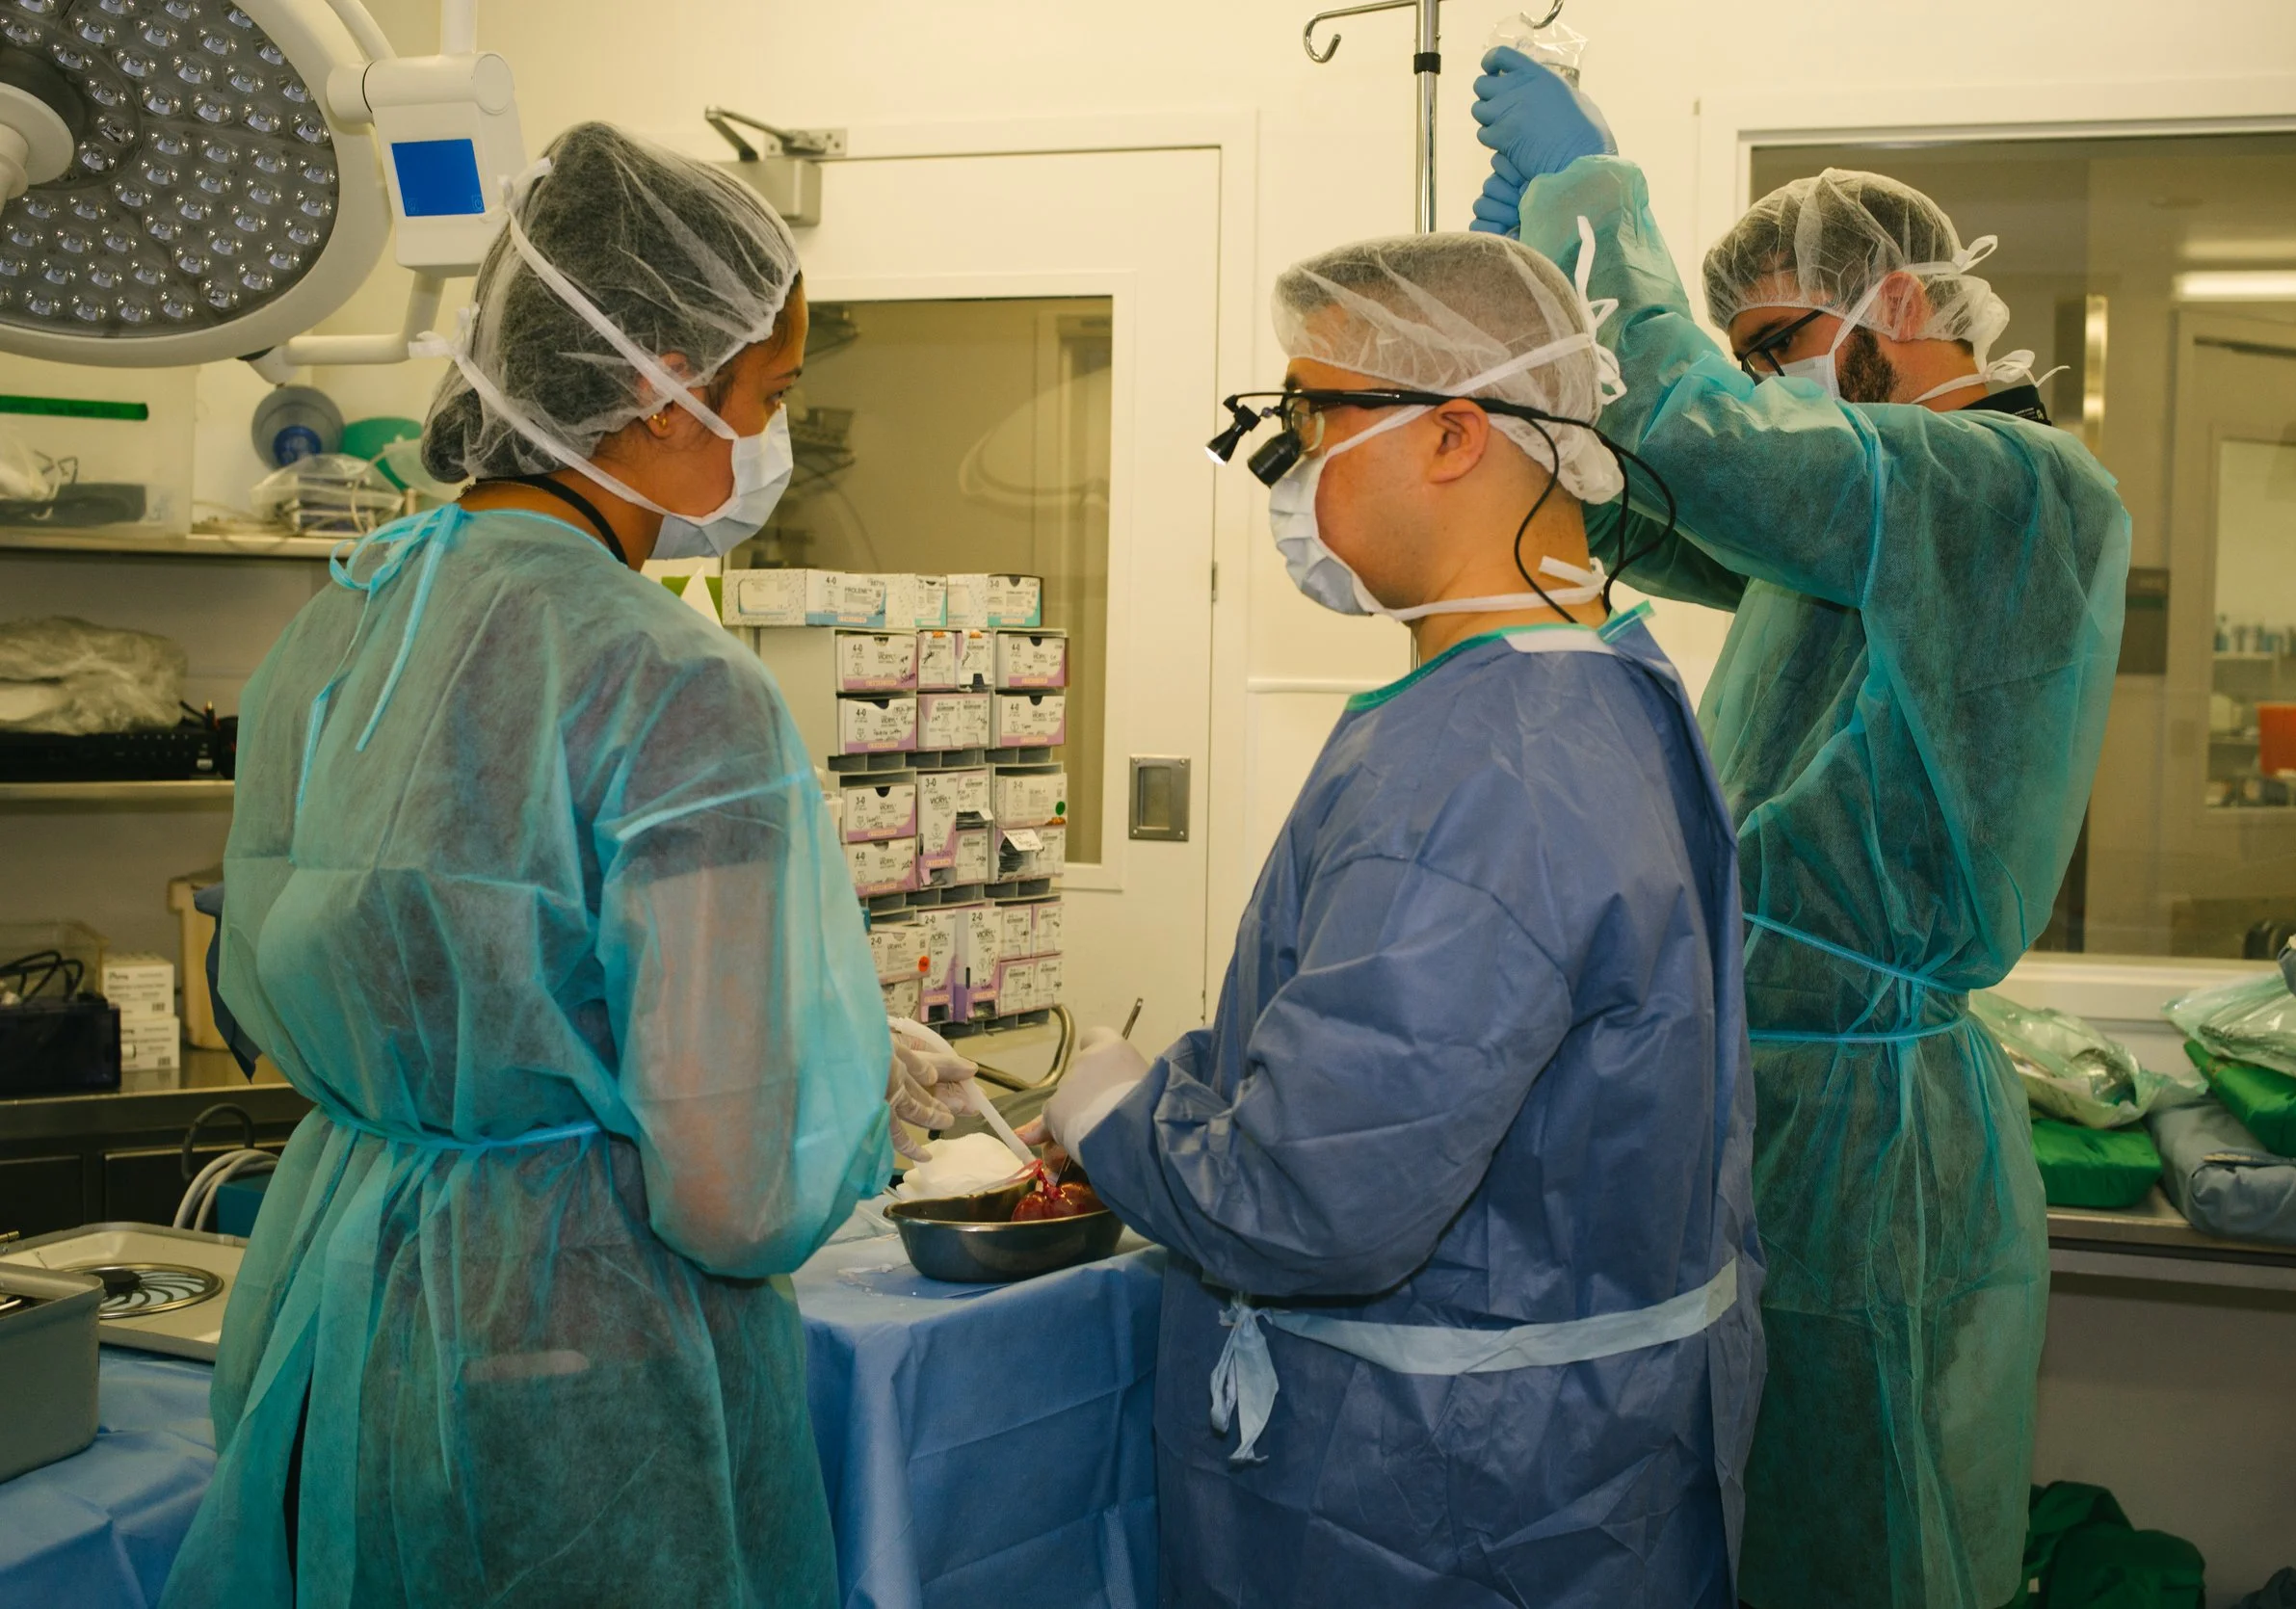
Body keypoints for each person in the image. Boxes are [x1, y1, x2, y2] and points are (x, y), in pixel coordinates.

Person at [161, 122, 974, 1608]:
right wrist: (829, 1078)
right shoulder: (675, 683)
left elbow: (283, 986)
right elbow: (734, 1193)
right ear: (663, 388)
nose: (772, 441)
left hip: (343, 1314)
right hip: (579, 1355)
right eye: (768, 395)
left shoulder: (336, 629)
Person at [1469, 52, 2131, 1609]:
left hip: (1878, 1140)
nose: (1767, 381)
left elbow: (1720, 455)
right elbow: (1633, 500)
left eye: (1782, 344)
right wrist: (1528, 333)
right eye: (1747, 355)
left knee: (1869, 1534)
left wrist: (1613, 213)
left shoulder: (2017, 493)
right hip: (1764, 1095)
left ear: (1901, 302)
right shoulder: (1850, 527)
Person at [1039, 229, 1764, 1606]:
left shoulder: (1487, 763)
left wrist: (1116, 1115)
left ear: (1450, 438)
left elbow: (1312, 1203)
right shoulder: (1600, 684)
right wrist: (1193, 1079)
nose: (1285, 466)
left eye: (1308, 416)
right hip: (1571, 1474)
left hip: (1448, 1505)